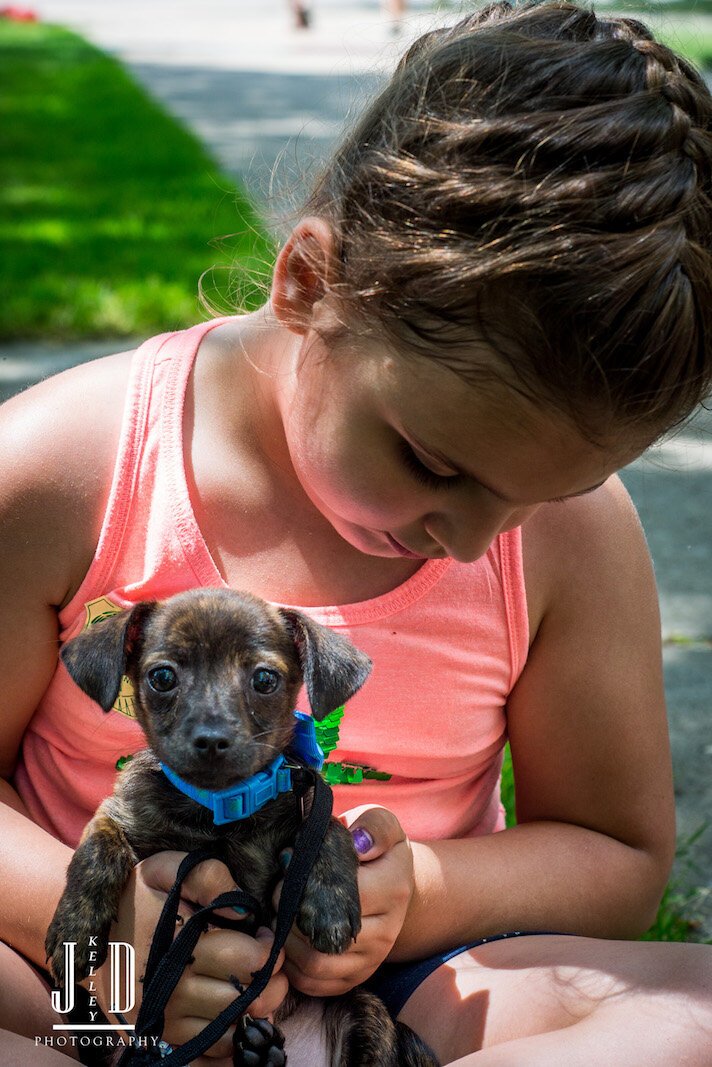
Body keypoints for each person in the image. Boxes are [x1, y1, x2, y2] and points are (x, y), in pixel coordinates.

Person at [1, 2, 711, 1064]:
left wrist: (420, 889)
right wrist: (114, 937)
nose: (475, 541)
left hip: (389, 990)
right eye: (433, 463)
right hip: (82, 976)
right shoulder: (69, 467)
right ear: (307, 282)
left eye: (537, 494)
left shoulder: (571, 541)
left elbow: (615, 852)